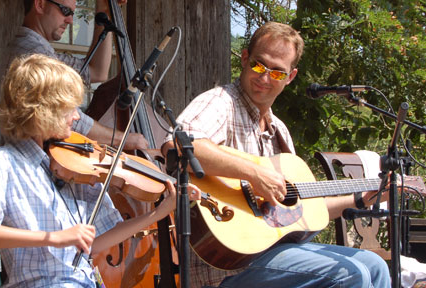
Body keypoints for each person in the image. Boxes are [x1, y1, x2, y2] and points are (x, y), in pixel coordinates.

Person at [162, 22, 391, 288]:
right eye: (259, 65)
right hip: (225, 267)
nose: (264, 78)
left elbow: (304, 211)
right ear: (245, 59)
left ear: (290, 77)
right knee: (352, 275)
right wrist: (253, 173)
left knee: (374, 266)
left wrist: (363, 199)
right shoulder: (220, 102)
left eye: (277, 73)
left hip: (273, 255)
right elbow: (177, 146)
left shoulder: (279, 130)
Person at [0, 54, 198, 287]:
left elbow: (94, 244)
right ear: (42, 110)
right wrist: (53, 238)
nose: (77, 116)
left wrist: (156, 215)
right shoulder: (3, 164)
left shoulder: (74, 165)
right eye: (69, 108)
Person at [7, 0, 148, 150]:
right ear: (40, 5)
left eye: (72, 13)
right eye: (65, 11)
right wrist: (122, 139)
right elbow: (64, 115)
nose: (70, 20)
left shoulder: (44, 51)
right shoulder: (32, 53)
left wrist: (104, 15)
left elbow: (97, 71)